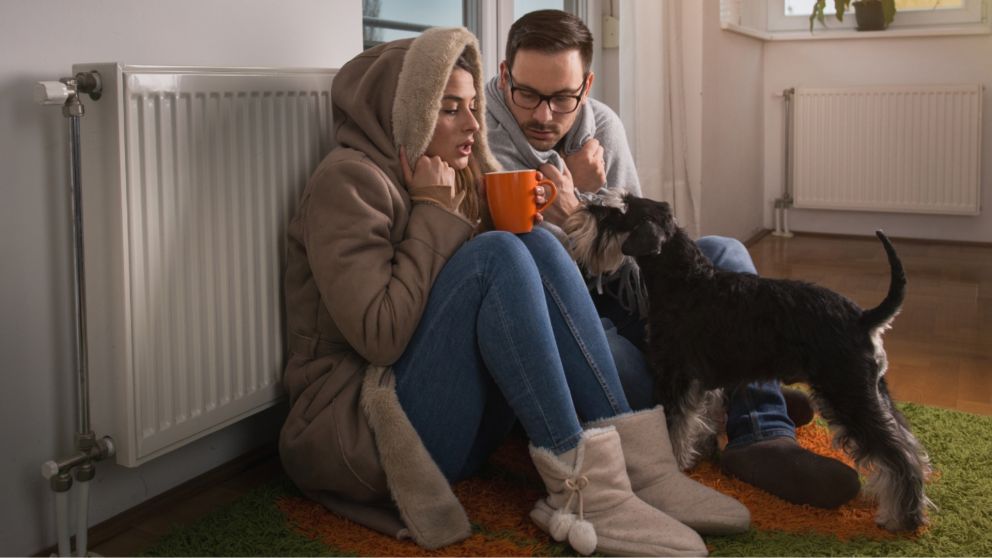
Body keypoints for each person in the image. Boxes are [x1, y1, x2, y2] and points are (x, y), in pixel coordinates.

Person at [277, 27, 747, 557]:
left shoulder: (459, 172)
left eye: (473, 106)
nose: (473, 124)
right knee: (499, 253)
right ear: (403, 112)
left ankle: (641, 472)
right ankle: (582, 491)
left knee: (534, 243)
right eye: (450, 109)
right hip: (367, 432)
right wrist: (432, 213)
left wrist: (563, 217)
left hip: (450, 418)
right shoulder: (349, 183)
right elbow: (381, 340)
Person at [485, 9, 861, 509]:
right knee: (631, 372)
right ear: (506, 74)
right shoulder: (483, 139)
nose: (543, 116)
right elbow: (515, 272)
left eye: (562, 98)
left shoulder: (604, 129)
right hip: (565, 320)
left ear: (587, 85)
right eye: (527, 93)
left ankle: (760, 433)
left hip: (620, 291)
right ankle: (732, 393)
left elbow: (642, 265)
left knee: (725, 252)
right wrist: (571, 199)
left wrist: (587, 206)